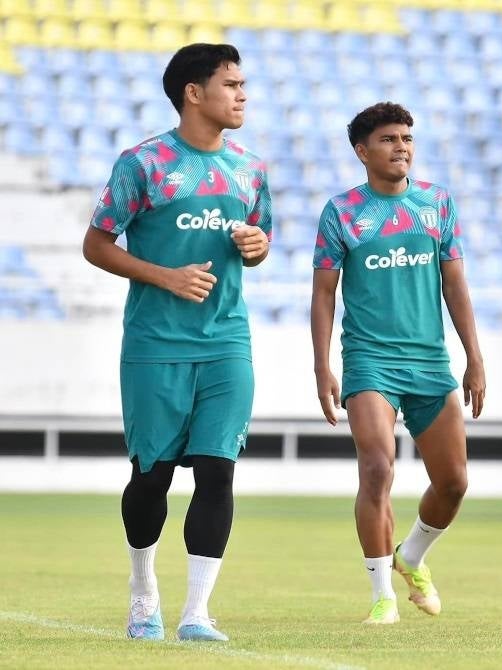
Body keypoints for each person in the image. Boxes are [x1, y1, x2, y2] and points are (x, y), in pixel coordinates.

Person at [82, 43, 271, 642]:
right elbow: (97, 243)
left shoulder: (250, 168)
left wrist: (257, 247)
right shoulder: (144, 163)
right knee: (152, 477)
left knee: (218, 472)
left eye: (243, 86)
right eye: (231, 84)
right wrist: (164, 275)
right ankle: (144, 593)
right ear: (194, 92)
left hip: (227, 342)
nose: (242, 95)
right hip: (155, 345)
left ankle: (196, 612)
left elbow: (259, 234)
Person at [311, 102, 486, 625]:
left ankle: (411, 555)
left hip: (430, 361)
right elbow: (323, 295)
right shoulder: (342, 212)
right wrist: (322, 367)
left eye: (406, 137)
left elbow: (455, 284)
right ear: (363, 151)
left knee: (454, 483)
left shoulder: (436, 204)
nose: (401, 146)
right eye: (388, 139)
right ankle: (381, 594)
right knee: (377, 467)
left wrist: (474, 358)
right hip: (369, 361)